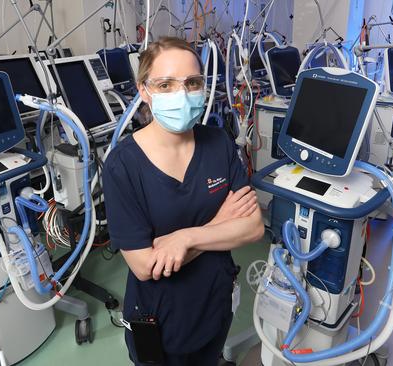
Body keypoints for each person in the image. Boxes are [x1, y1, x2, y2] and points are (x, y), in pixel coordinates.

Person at [102, 37, 264, 365]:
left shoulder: (217, 143)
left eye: (191, 82)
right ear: (144, 91)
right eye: (165, 84)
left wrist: (185, 238)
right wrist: (220, 224)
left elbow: (252, 228)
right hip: (159, 318)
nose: (182, 94)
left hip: (215, 299)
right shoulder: (123, 166)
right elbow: (146, 266)